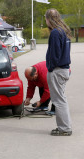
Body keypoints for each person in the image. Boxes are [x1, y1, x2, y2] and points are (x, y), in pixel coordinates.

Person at [45, 8, 72, 136]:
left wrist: (50, 68)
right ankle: (64, 127)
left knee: (59, 101)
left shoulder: (56, 33)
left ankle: (65, 129)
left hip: (57, 70)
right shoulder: (64, 31)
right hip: (64, 69)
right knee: (62, 100)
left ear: (48, 19)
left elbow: (55, 54)